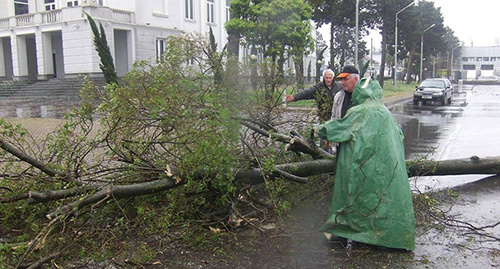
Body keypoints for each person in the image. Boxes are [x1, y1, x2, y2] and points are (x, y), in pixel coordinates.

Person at [317, 76, 416, 251]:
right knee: (381, 201)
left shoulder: (360, 111)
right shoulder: (385, 112)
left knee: (356, 197)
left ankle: (344, 233)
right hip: (386, 168)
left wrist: (317, 130)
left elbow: (338, 129)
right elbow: (400, 137)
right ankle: (383, 238)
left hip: (362, 166)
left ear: (360, 92)